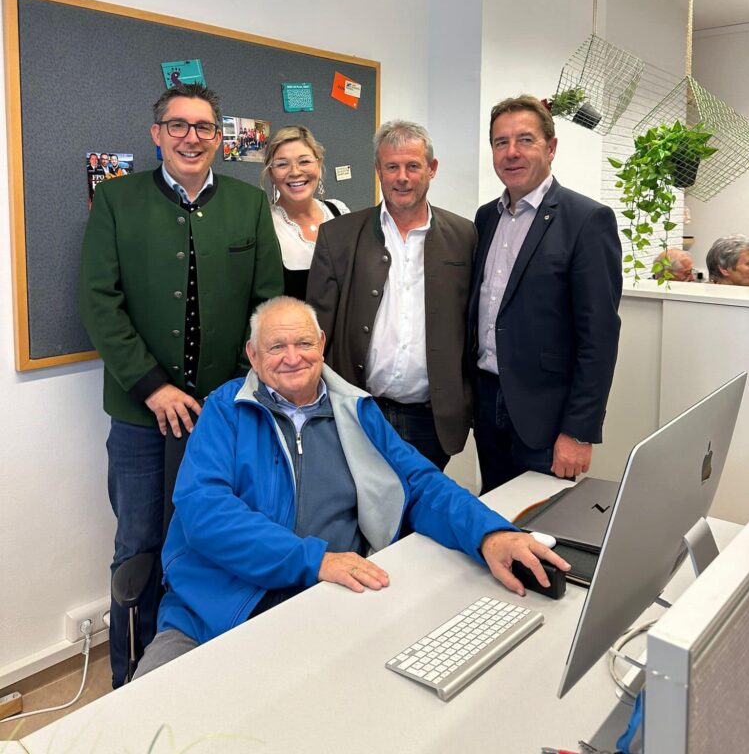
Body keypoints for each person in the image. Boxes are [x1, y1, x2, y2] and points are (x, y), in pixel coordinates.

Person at [132, 297, 569, 678]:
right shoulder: (224, 410)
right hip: (211, 610)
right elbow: (205, 511)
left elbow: (420, 484)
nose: (292, 357)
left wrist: (490, 534)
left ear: (322, 344)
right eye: (276, 346)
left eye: (304, 343)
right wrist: (314, 559)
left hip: (324, 605)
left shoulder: (357, 410)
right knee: (146, 723)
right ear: (252, 354)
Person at [79, 82, 283, 688]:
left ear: (219, 137)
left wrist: (240, 392)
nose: (191, 138)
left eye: (204, 127)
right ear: (157, 134)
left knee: (218, 538)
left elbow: (267, 303)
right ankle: (130, 686)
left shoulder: (249, 204)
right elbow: (99, 302)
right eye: (178, 125)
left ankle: (209, 676)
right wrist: (152, 386)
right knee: (139, 550)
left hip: (226, 414)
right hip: (142, 415)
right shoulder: (116, 200)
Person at [468, 95, 622, 493]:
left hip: (548, 416)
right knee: (494, 513)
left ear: (550, 148)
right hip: (488, 402)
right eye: (501, 142)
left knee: (544, 522)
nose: (511, 152)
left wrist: (579, 430)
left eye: (525, 140)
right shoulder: (485, 218)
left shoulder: (587, 220)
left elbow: (599, 337)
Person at [307, 120, 475, 471]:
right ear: (378, 170)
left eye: (413, 166)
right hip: (359, 412)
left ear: (432, 169)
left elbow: (471, 325)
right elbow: (317, 331)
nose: (402, 177)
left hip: (430, 420)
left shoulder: (464, 236)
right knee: (360, 504)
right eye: (392, 167)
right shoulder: (338, 236)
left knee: (423, 504)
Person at [262, 125, 349, 300]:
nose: (295, 172)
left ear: (319, 164)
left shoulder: (339, 212)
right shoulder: (264, 226)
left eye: (304, 161)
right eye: (282, 164)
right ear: (271, 173)